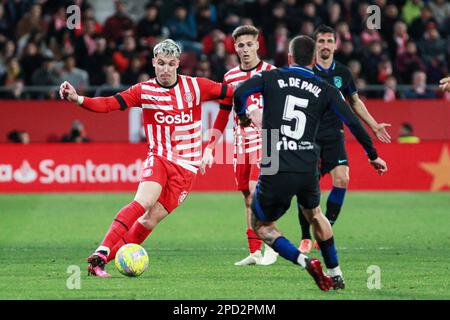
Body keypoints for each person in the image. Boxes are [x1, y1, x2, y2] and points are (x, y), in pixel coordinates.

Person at [59, 39, 233, 277]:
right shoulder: (144, 90)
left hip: (187, 168)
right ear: (153, 62)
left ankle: (100, 262)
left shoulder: (196, 87)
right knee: (143, 202)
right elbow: (109, 104)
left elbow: (232, 94)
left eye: (170, 64)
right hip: (159, 157)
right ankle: (101, 252)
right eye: (160, 63)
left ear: (178, 64)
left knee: (150, 220)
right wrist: (78, 99)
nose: (165, 69)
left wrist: (211, 145)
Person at [233, 35, 388, 291]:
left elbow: (240, 92)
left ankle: (305, 261)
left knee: (261, 225)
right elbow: (351, 122)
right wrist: (372, 154)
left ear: (289, 57)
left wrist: (242, 116)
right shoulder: (326, 89)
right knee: (315, 214)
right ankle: (336, 273)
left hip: (274, 161)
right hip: (307, 163)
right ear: (314, 60)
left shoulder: (271, 77)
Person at [297, 25, 391, 253]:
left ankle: (325, 228)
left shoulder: (343, 73)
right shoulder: (305, 70)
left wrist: (374, 124)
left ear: (336, 45)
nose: (326, 45)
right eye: (321, 41)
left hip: (334, 135)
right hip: (309, 135)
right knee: (308, 188)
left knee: (342, 179)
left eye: (330, 41)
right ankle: (305, 236)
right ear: (314, 45)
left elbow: (355, 102)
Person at [200, 25, 279, 266]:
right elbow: (223, 114)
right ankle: (254, 251)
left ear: (257, 45)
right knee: (247, 197)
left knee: (257, 192)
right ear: (234, 47)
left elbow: (281, 109)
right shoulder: (229, 77)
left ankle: (272, 246)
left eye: (249, 44)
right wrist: (210, 147)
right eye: (240, 45)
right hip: (240, 142)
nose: (245, 49)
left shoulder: (271, 72)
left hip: (267, 139)